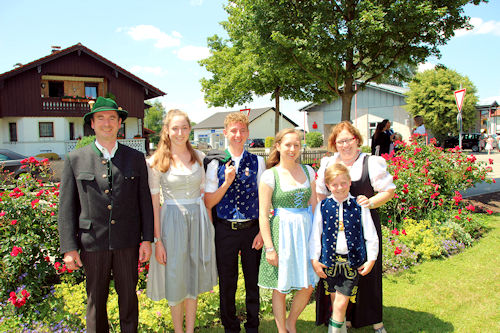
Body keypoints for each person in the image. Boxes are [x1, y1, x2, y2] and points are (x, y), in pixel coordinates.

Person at [58, 96, 154, 332]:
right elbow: (66, 207)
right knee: (95, 302)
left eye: (112, 118)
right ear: (92, 124)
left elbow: (145, 202)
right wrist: (69, 248)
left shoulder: (135, 158)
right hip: (93, 244)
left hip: (127, 242)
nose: (107, 123)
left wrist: (147, 239)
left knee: (129, 300)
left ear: (120, 123)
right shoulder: (75, 159)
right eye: (100, 118)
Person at [316, 121, 395, 333]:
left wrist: (370, 203)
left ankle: (374, 320)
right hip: (336, 230)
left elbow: (388, 191)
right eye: (340, 141)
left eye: (349, 140)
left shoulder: (372, 162)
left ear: (357, 140)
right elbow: (321, 194)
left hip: (364, 226)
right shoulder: (328, 163)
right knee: (336, 275)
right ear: (334, 143)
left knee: (367, 274)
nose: (345, 145)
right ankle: (344, 319)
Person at [145, 109, 217, 332]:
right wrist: (158, 241)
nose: (180, 132)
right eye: (175, 128)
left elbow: (204, 197)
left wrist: (210, 229)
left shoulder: (199, 157)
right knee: (176, 280)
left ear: (189, 129)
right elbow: (155, 205)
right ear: (166, 130)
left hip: (198, 222)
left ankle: (190, 330)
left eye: (184, 127)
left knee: (193, 278)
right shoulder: (156, 161)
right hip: (171, 222)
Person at [204, 112, 265, 333]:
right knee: (227, 282)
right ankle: (230, 326)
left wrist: (261, 232)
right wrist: (226, 183)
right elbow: (208, 201)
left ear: (248, 133)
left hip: (251, 230)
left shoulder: (258, 162)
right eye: (233, 130)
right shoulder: (215, 163)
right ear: (225, 133)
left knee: (252, 281)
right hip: (225, 229)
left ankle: (253, 325)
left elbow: (263, 199)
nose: (238, 135)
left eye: (242, 130)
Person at [258, 128, 318, 333]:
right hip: (282, 232)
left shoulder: (309, 171)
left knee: (308, 284)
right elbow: (263, 214)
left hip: (306, 230)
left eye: (297, 145)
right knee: (281, 286)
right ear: (278, 146)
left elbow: (314, 206)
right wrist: (269, 248)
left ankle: (292, 321)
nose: (292, 149)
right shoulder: (270, 175)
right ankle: (282, 329)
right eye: (288, 145)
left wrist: (316, 240)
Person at [309, 163, 379, 333]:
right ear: (328, 186)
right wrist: (314, 260)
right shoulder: (323, 206)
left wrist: (371, 259)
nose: (339, 188)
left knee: (340, 305)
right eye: (334, 184)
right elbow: (315, 236)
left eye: (343, 183)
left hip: (351, 263)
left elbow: (371, 235)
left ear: (349, 182)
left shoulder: (359, 205)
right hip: (330, 263)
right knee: (336, 304)